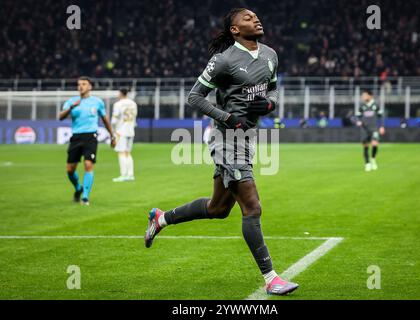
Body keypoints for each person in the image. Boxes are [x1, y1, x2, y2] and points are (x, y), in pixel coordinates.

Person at [144, 8, 299, 296]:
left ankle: (161, 218)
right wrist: (227, 117)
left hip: (247, 137)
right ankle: (272, 278)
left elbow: (274, 89)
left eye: (255, 15)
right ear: (235, 30)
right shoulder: (224, 60)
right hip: (226, 138)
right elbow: (194, 97)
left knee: (218, 209)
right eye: (247, 18)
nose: (255, 19)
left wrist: (269, 105)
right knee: (252, 207)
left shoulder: (270, 55)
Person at [59, 76, 116, 205]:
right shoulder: (72, 101)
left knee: (88, 165)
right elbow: (60, 117)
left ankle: (85, 197)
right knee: (70, 169)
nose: (81, 86)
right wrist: (71, 107)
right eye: (79, 84)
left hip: (91, 136)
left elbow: (105, 119)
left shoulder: (97, 102)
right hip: (76, 137)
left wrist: (112, 136)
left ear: (90, 86)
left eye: (84, 84)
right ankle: (78, 188)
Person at [111, 88, 138, 182]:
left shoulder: (117, 104)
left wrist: (113, 130)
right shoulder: (133, 103)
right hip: (131, 130)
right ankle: (130, 174)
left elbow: (114, 120)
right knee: (128, 153)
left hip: (121, 131)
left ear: (121, 93)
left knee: (121, 152)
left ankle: (123, 175)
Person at [356, 89, 385, 172]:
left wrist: (382, 126)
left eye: (365, 95)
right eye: (363, 95)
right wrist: (358, 121)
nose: (363, 97)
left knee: (375, 144)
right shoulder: (362, 106)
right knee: (365, 146)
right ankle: (367, 163)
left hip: (374, 128)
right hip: (364, 129)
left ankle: (373, 159)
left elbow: (381, 116)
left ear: (370, 96)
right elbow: (358, 116)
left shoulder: (376, 105)